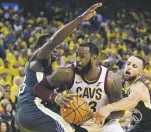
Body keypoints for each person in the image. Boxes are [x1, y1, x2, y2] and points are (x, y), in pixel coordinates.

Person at [15, 3, 102, 132]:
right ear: (41, 48)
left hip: (26, 116)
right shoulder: (37, 61)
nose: (55, 50)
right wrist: (80, 19)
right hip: (33, 110)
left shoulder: (48, 74)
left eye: (56, 48)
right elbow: (53, 41)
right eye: (52, 48)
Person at [32, 42, 125, 132]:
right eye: (76, 55)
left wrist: (98, 114)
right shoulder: (67, 73)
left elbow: (120, 111)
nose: (77, 59)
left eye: (82, 56)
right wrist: (56, 97)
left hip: (103, 123)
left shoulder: (110, 80)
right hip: (74, 123)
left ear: (94, 58)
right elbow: (38, 88)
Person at [93, 55, 151, 132]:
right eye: (128, 64)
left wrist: (108, 108)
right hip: (142, 126)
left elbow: (131, 101)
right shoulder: (120, 85)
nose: (129, 67)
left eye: (134, 66)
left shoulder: (139, 86)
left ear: (140, 73)